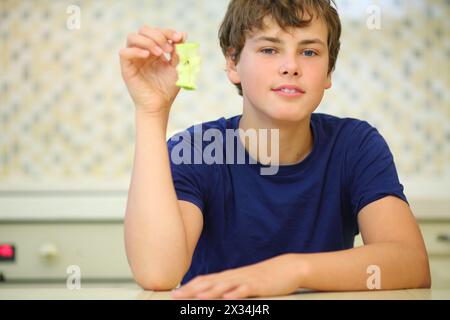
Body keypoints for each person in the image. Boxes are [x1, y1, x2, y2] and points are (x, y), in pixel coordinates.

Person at [119, 0, 431, 299]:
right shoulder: (198, 149)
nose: (291, 66)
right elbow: (157, 273)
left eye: (309, 51)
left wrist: (291, 270)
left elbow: (410, 263)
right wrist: (151, 112)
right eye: (269, 49)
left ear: (329, 73)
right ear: (233, 64)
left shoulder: (355, 145)